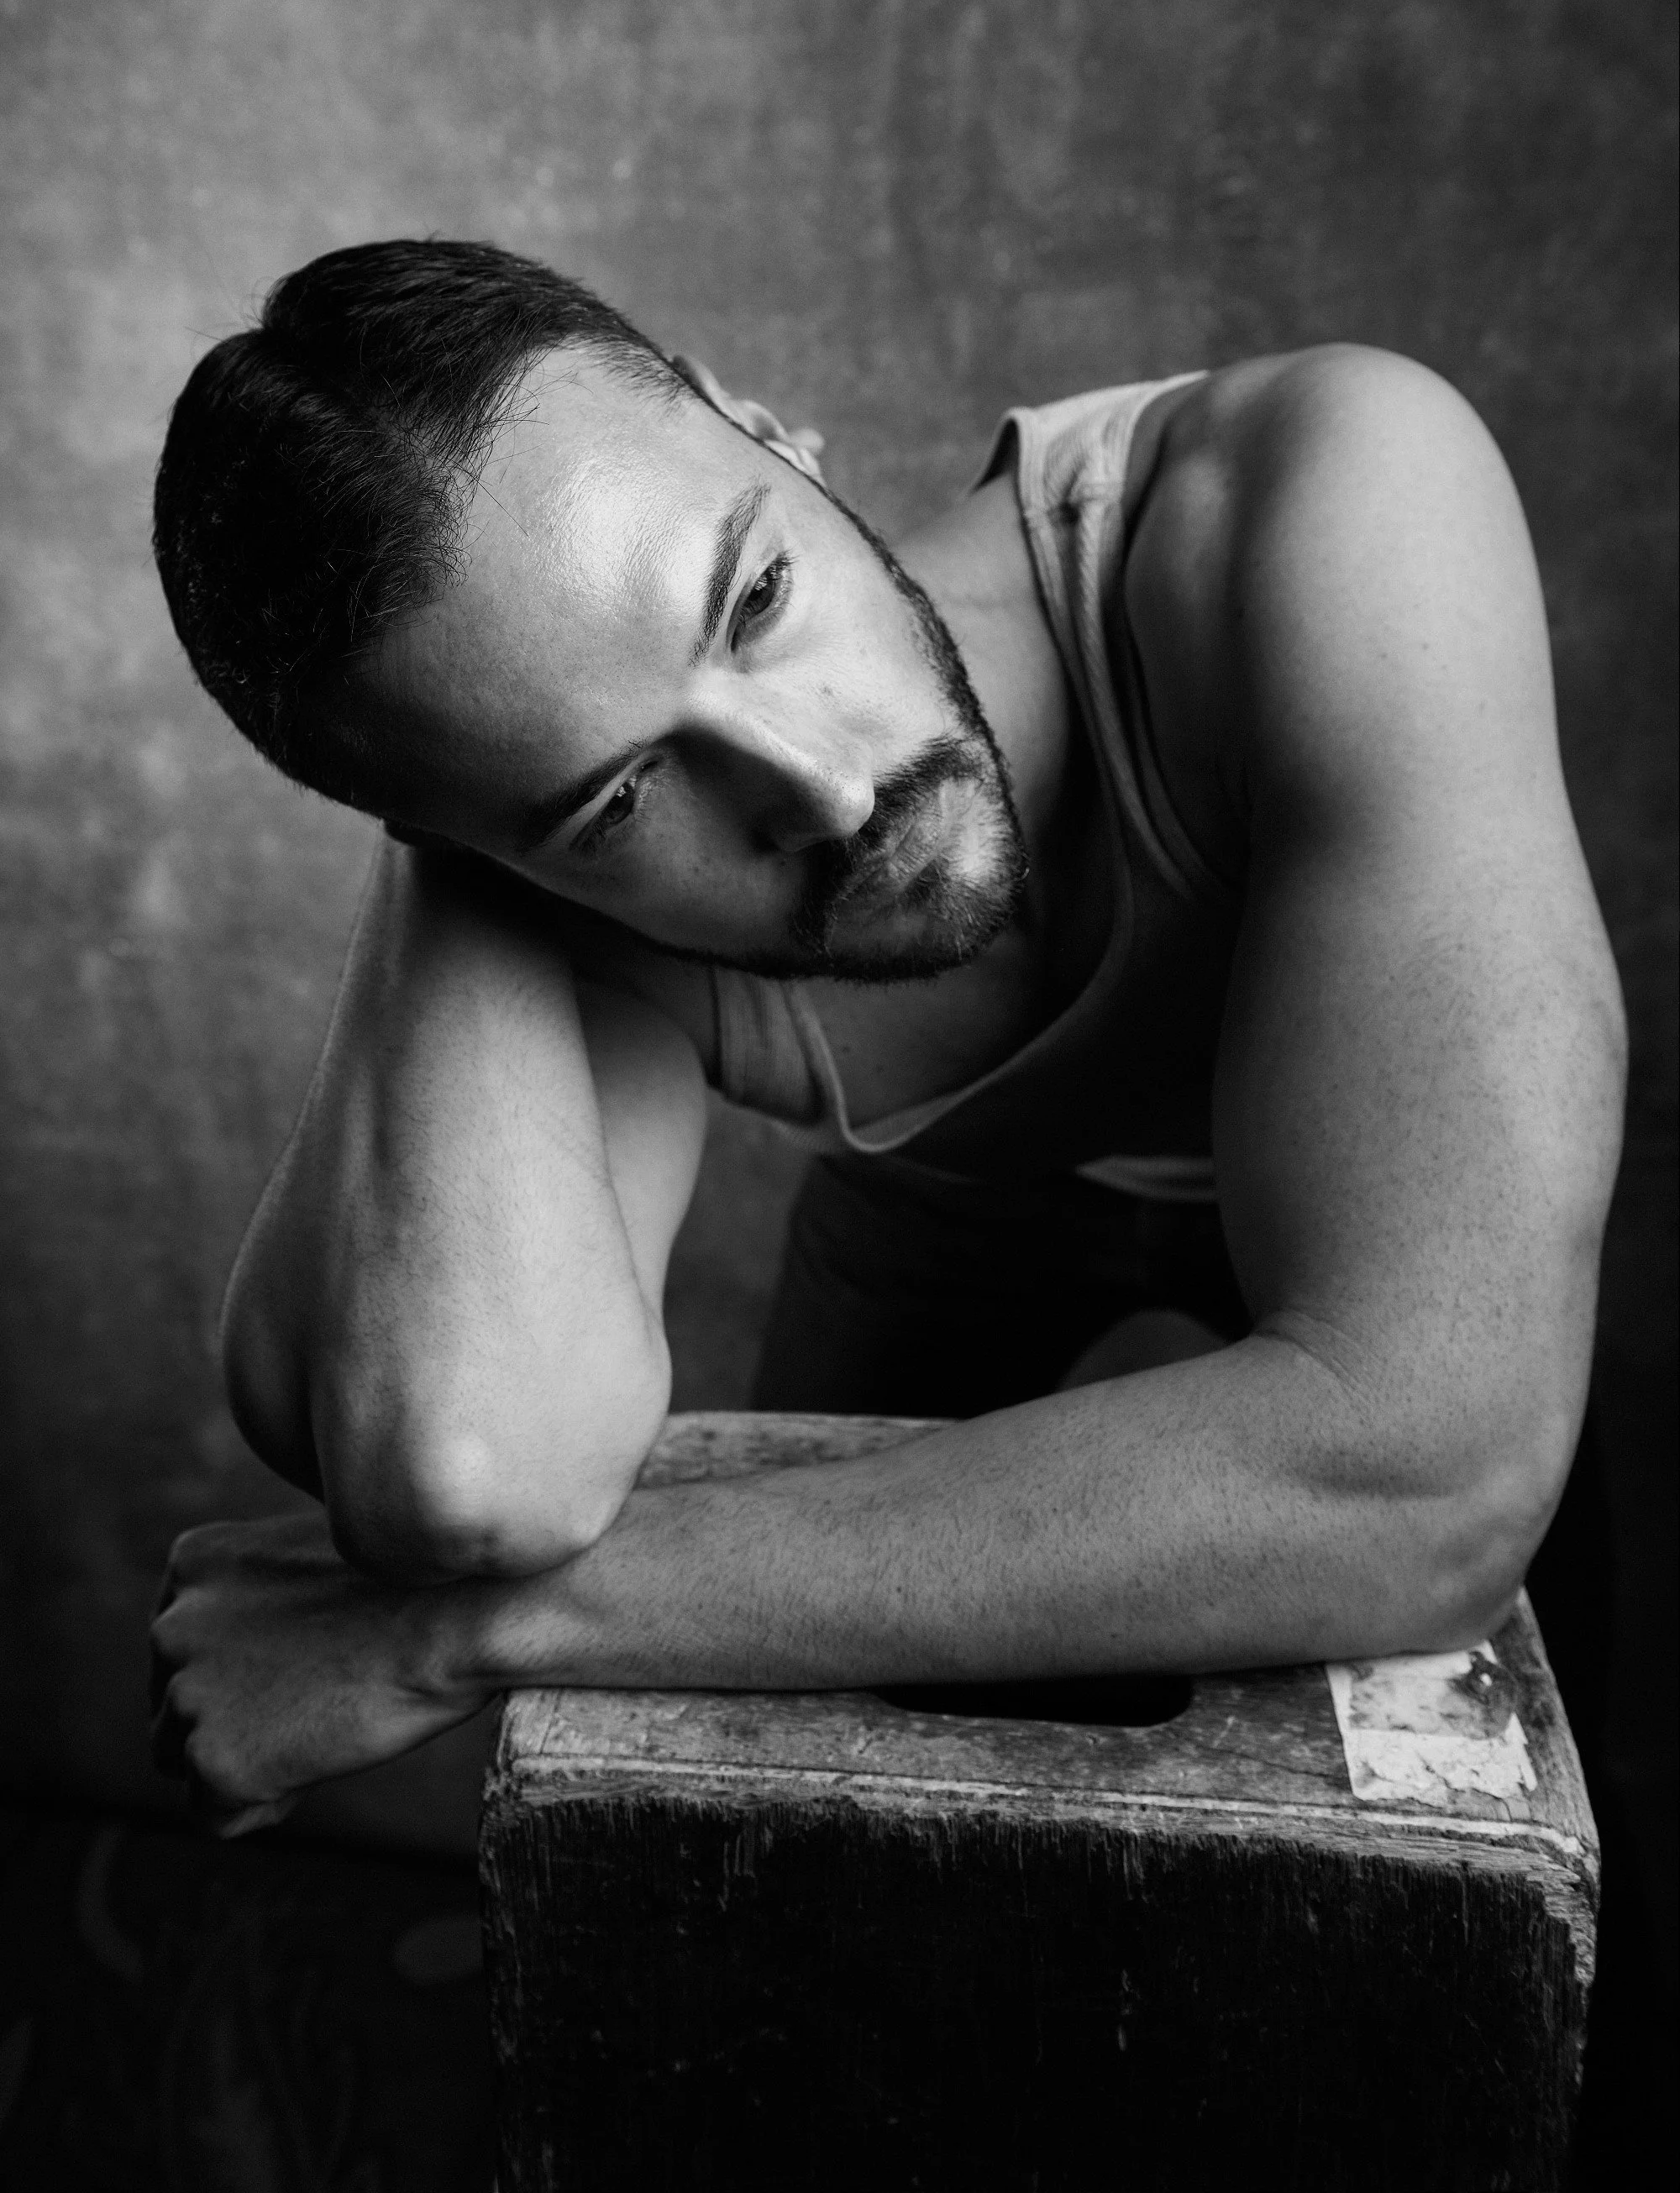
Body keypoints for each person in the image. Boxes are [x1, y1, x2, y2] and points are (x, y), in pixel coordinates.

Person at [145, 239, 1624, 1836]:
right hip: (943, 1206)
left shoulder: (1330, 493)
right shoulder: (562, 901)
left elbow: (1430, 1480)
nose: (829, 789)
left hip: (1393, 1188)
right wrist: (452, 818)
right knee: (802, 1835)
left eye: (757, 598)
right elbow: (467, 1474)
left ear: (761, 428)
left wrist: (454, 1638)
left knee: (1560, 1837)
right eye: (626, 796)